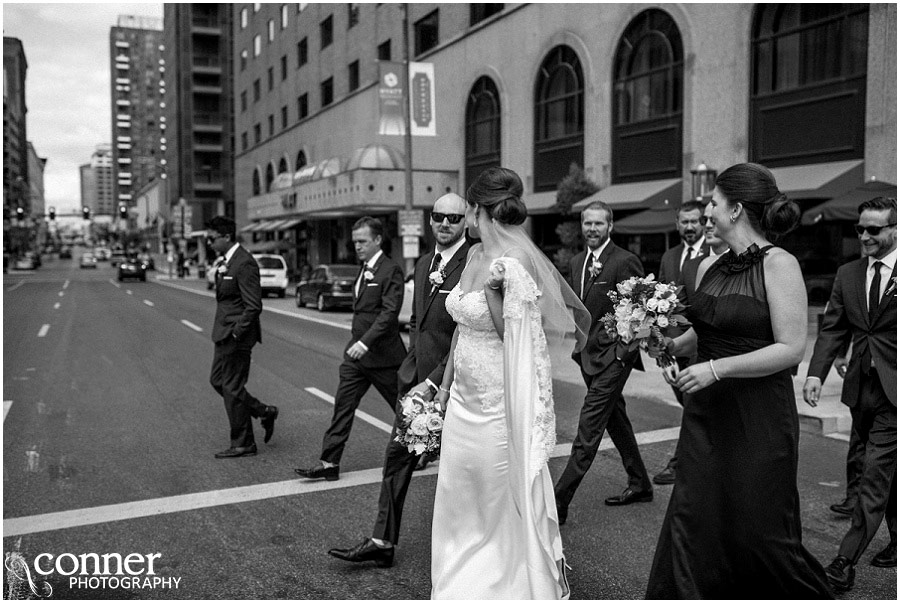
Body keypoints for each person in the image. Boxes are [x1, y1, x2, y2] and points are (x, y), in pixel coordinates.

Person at [644, 163, 832, 598]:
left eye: (714, 201)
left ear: (736, 210)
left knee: (756, 527)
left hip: (758, 417)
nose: (707, 209)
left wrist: (715, 369)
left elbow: (791, 348)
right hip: (707, 416)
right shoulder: (712, 264)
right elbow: (706, 332)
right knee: (697, 516)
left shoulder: (780, 264)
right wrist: (669, 347)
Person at [430, 167, 590, 599]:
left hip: (496, 401)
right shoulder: (473, 255)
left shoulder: (515, 262)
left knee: (494, 494)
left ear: (479, 209)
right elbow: (463, 327)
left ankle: (499, 578)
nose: (461, 220)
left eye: (465, 211)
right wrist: (442, 390)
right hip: (462, 399)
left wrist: (498, 294)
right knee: (458, 491)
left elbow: (516, 339)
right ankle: (454, 571)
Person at [326, 193, 469, 568]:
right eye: (438, 216)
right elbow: (417, 324)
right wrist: (410, 375)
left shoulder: (476, 261)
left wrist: (439, 381)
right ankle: (382, 541)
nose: (444, 224)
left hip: (459, 386)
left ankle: (469, 551)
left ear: (465, 222)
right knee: (396, 458)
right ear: (429, 220)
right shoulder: (423, 264)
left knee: (464, 471)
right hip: (418, 386)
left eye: (453, 218)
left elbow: (467, 332)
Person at [804, 197, 897, 592]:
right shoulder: (847, 273)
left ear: (895, 230)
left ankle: (844, 560)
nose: (864, 236)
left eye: (873, 230)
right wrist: (815, 374)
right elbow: (833, 328)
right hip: (861, 388)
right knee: (873, 469)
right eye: (860, 229)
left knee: (874, 476)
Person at [554, 201, 653, 525]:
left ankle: (559, 501)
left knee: (589, 425)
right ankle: (640, 483)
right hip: (587, 356)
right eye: (587, 223)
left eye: (599, 223)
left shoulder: (625, 261)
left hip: (615, 357)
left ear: (610, 226)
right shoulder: (577, 262)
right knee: (615, 419)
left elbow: (645, 314)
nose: (592, 229)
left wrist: (625, 353)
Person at [295, 216, 406, 481]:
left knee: (404, 409)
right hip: (356, 359)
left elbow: (389, 314)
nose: (357, 246)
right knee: (342, 407)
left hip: (383, 357)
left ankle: (424, 451)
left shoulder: (391, 270)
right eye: (354, 241)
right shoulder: (364, 267)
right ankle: (329, 462)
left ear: (378, 240)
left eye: (362, 241)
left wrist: (365, 342)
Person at [207, 216, 279, 458]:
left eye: (212, 238)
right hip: (223, 333)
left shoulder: (244, 263)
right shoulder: (227, 261)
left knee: (231, 386)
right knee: (219, 382)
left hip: (236, 336)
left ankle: (244, 442)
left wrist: (237, 332)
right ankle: (264, 411)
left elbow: (253, 305)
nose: (209, 242)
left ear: (226, 237)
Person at [653, 200, 709, 485]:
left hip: (705, 346)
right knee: (692, 407)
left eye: (695, 221)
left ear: (704, 222)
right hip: (676, 348)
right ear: (677, 224)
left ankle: (681, 464)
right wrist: (665, 355)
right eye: (684, 222)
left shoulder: (715, 253)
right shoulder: (670, 256)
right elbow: (660, 309)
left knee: (695, 407)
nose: (689, 227)